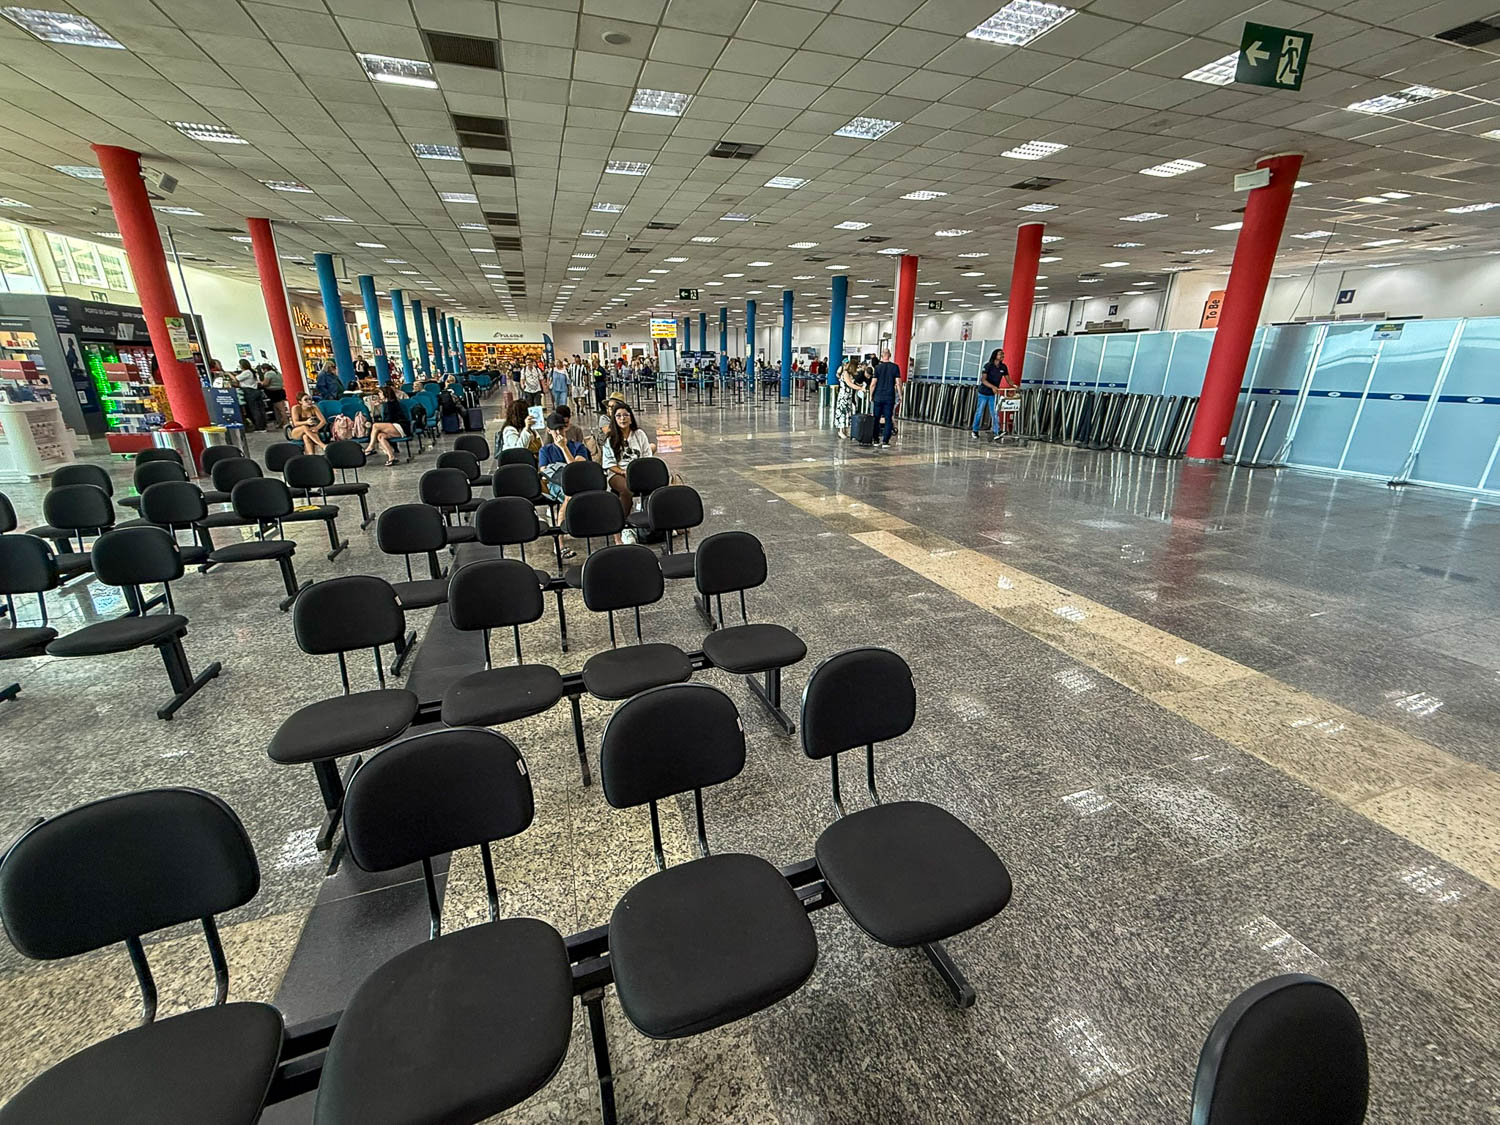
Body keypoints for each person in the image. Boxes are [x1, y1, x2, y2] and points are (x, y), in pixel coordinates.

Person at [601, 401, 653, 538]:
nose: (622, 418)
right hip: (618, 473)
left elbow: (647, 455)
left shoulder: (639, 434)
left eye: (625, 415)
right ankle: (622, 524)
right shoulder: (610, 439)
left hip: (639, 471)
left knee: (656, 486)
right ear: (614, 419)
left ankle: (652, 523)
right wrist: (623, 472)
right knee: (626, 489)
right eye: (618, 416)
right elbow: (609, 464)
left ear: (631, 418)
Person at [539, 410, 590, 517]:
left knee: (571, 493)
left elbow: (575, 469)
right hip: (556, 484)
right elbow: (545, 473)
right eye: (555, 430)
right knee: (570, 494)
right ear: (549, 431)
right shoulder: (545, 450)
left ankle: (563, 527)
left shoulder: (578, 447)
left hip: (577, 482)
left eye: (561, 429)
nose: (558, 432)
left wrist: (564, 448)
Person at [364, 384, 409, 466]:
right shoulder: (386, 404)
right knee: (380, 436)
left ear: (386, 394)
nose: (379, 395)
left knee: (375, 426)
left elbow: (388, 419)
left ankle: (371, 447)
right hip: (394, 426)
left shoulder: (390, 404)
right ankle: (391, 457)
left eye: (380, 393)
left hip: (400, 426)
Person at [971, 348, 1008, 439]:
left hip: (992, 394)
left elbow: (1008, 379)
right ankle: (975, 430)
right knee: (979, 412)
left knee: (994, 412)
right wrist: (993, 387)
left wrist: (1014, 386)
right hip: (983, 393)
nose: (1002, 356)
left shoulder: (1003, 367)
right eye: (1000, 354)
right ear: (995, 355)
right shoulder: (988, 366)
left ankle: (996, 431)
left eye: (1003, 354)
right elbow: (983, 380)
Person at [870, 348, 902, 449]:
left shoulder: (877, 368)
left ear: (882, 355)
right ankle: (885, 441)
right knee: (888, 419)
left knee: (876, 418)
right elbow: (898, 383)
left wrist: (871, 395)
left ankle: (875, 439)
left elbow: (873, 384)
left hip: (878, 397)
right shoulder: (895, 367)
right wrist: (900, 395)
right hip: (889, 397)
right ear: (890, 355)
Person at [833, 359, 862, 440]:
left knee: (846, 413)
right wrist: (860, 388)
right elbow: (849, 384)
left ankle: (845, 430)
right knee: (842, 413)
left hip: (848, 396)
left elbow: (852, 383)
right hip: (843, 397)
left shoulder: (849, 374)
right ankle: (840, 431)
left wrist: (858, 385)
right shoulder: (845, 373)